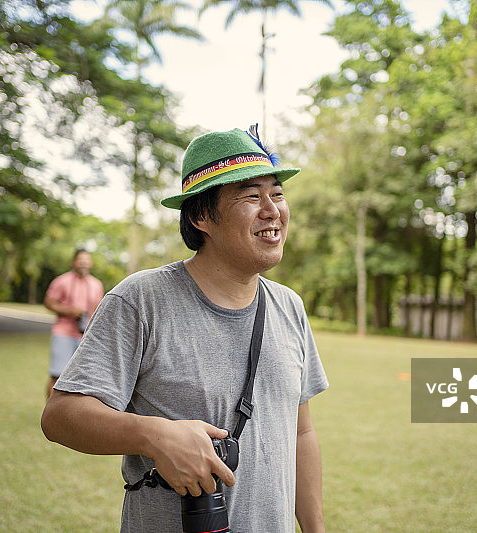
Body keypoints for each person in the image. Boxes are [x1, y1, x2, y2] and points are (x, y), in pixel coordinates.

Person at [41, 126, 329, 532]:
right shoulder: (141, 300)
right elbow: (60, 415)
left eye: (277, 194)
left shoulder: (289, 306)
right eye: (251, 196)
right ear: (200, 216)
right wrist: (152, 436)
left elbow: (301, 433)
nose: (272, 210)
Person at [43, 249, 104, 397]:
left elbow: (99, 309)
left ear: (91, 263)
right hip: (63, 333)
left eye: (86, 260)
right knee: (57, 376)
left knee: (83, 380)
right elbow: (49, 303)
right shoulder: (61, 281)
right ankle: (50, 415)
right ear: (73, 262)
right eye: (80, 260)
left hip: (85, 337)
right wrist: (70, 311)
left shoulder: (97, 285)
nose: (83, 263)